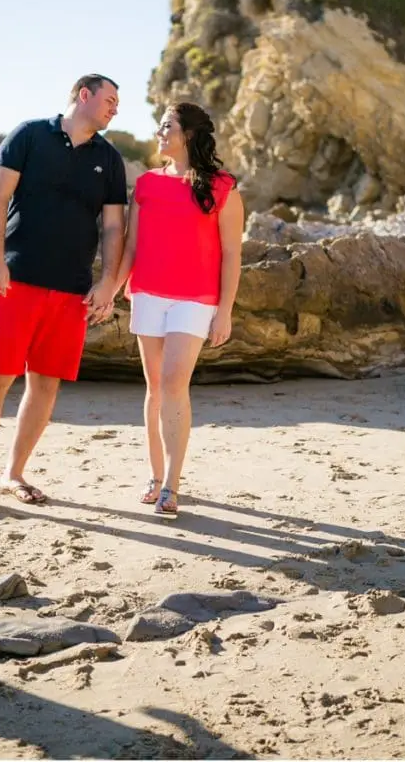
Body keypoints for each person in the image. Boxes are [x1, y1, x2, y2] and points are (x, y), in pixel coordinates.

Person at [0, 74, 127, 509]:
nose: (115, 108)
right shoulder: (29, 135)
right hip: (15, 280)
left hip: (71, 291)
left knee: (46, 384)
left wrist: (107, 282)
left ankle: (14, 473)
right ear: (84, 95)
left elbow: (113, 227)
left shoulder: (109, 159)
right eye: (110, 99)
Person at [114, 102, 244, 519]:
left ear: (187, 134)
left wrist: (225, 311)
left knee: (173, 383)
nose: (159, 132)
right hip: (148, 294)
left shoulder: (222, 187)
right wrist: (110, 290)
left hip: (195, 299)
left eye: (166, 125)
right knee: (155, 387)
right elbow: (131, 247)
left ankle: (172, 483)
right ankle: (155, 477)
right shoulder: (147, 184)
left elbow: (232, 254)